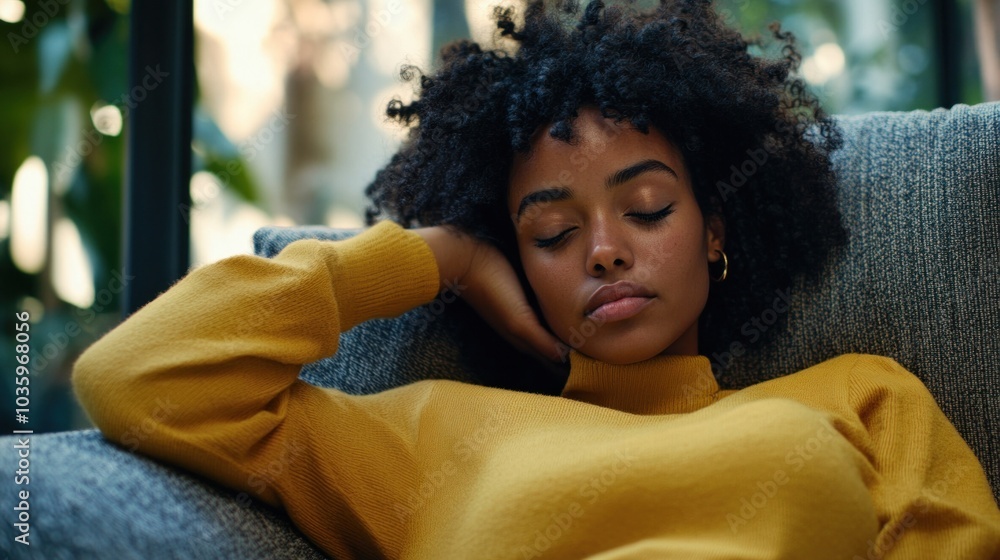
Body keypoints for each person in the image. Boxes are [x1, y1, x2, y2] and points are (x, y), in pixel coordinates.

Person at [72, 1, 1000, 558]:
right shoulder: (420, 435)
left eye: (645, 210)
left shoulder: (863, 398)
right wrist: (440, 257)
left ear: (714, 230)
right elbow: (138, 380)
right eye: (553, 231)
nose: (603, 248)